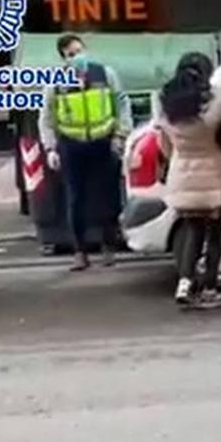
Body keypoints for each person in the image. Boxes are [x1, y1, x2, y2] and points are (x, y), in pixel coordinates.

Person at [38, 34, 133, 271]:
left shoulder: (104, 74)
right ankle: (80, 252)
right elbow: (46, 118)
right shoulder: (56, 83)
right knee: (75, 200)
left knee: (108, 199)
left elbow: (121, 103)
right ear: (64, 59)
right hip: (72, 146)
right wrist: (50, 148)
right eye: (71, 54)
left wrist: (120, 136)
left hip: (104, 143)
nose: (77, 57)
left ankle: (108, 247)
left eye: (79, 51)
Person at [154, 52, 221, 309]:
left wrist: (176, 160)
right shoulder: (217, 100)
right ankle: (210, 289)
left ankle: (184, 284)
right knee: (214, 233)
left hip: (181, 170)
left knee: (192, 229)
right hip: (212, 170)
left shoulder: (166, 102)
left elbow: (164, 145)